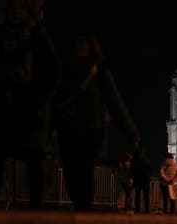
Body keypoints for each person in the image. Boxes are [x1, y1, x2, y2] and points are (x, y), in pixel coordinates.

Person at [0, 0, 60, 210]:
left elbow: (54, 71)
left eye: (20, 8)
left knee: (34, 158)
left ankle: (35, 210)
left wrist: (40, 98)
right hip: (5, 106)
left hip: (31, 108)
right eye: (12, 7)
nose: (15, 12)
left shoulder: (38, 36)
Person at [53, 33, 139, 211]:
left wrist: (132, 133)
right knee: (69, 169)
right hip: (68, 127)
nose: (79, 47)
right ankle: (80, 204)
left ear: (92, 48)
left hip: (92, 129)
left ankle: (83, 207)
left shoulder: (99, 74)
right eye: (77, 43)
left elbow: (116, 104)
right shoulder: (63, 73)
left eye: (84, 44)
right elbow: (53, 101)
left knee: (85, 167)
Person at [130, 147, 151, 213]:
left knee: (137, 195)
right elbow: (149, 169)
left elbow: (132, 170)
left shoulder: (133, 160)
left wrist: (133, 177)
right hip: (145, 179)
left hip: (137, 179)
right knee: (146, 195)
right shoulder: (146, 159)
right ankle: (147, 210)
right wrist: (149, 176)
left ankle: (137, 209)